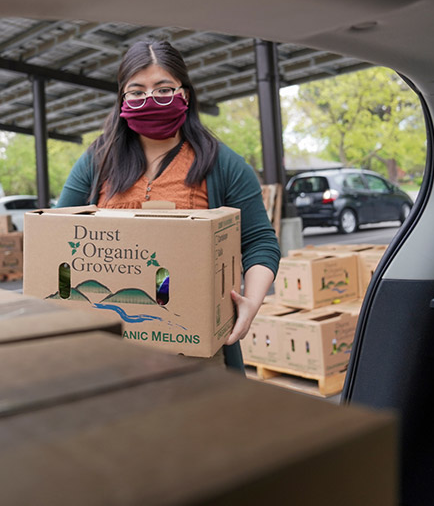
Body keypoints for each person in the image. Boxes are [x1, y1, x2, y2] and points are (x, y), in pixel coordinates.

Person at [56, 40, 281, 372]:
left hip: (192, 352)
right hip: (107, 352)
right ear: (122, 98)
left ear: (185, 94)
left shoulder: (224, 165)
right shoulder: (97, 161)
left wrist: (252, 302)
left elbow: (259, 241)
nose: (150, 101)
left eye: (163, 90)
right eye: (137, 92)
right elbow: (57, 233)